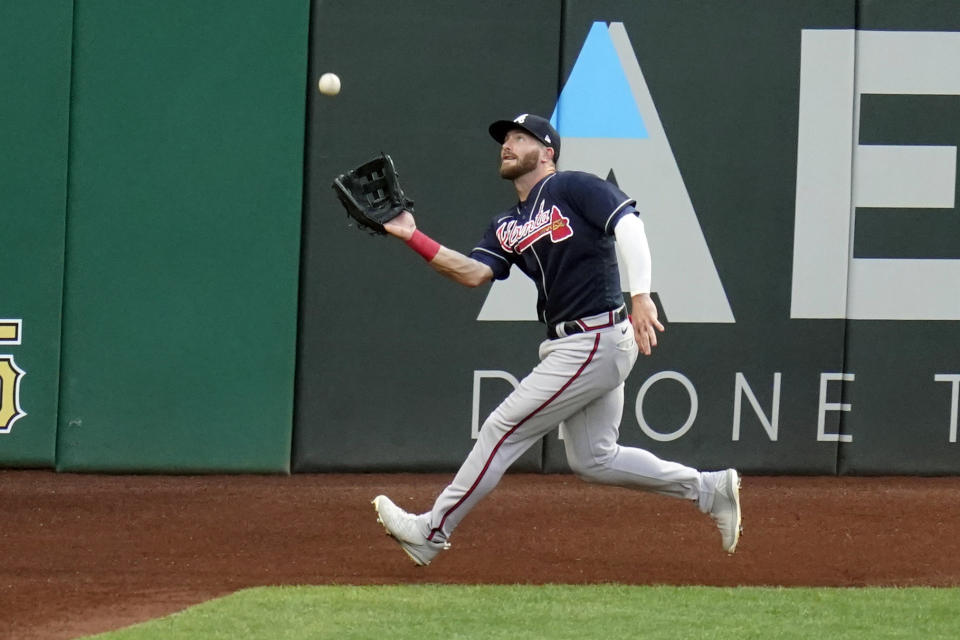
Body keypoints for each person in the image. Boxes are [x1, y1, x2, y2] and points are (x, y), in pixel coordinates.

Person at [372, 113, 741, 566]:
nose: (507, 144)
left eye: (520, 137)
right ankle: (709, 489)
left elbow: (629, 225)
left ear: (547, 152)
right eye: (504, 139)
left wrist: (641, 293)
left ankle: (431, 531)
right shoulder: (508, 222)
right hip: (580, 342)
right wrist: (413, 236)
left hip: (595, 337)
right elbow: (473, 272)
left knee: (501, 429)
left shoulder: (572, 187)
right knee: (594, 459)